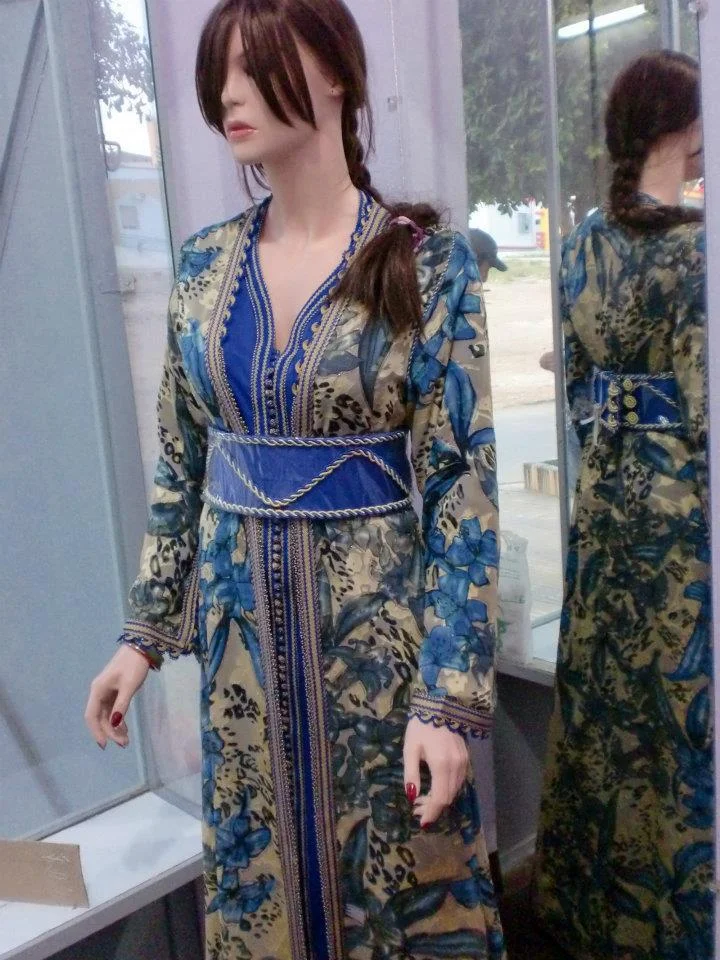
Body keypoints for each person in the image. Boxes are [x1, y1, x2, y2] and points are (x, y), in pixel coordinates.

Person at [84, 2, 505, 958]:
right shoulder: (204, 269)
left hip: (377, 657)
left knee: (395, 886)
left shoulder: (424, 267)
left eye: (255, 66)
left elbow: (462, 491)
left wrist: (445, 696)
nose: (227, 96)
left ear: (337, 73)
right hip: (243, 662)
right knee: (262, 876)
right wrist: (143, 635)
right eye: (218, 74)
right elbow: (182, 466)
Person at [534, 51, 711, 959]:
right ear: (682, 129)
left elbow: (576, 391)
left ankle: (591, 913)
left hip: (603, 503)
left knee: (606, 711)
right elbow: (706, 411)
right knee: (676, 714)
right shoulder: (696, 252)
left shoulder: (578, 247)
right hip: (679, 518)